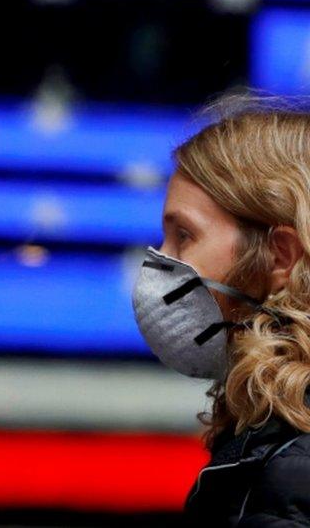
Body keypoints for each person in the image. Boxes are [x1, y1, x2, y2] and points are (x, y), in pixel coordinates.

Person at [131, 93, 310, 526]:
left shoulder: (293, 467)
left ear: (280, 257)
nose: (158, 262)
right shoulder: (268, 439)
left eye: (185, 236)